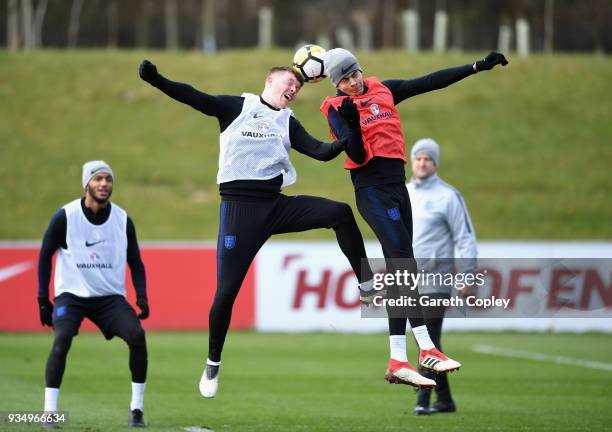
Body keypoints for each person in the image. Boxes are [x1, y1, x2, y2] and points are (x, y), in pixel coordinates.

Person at [139, 60, 375, 398]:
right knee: (226, 292)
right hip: (239, 211)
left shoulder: (287, 121)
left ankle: (366, 284)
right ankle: (213, 362)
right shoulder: (238, 106)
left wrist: (345, 138)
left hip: (276, 206)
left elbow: (320, 152)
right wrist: (157, 79)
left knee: (339, 212)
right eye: (289, 84)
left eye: (298, 88)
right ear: (269, 81)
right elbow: (193, 97)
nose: (293, 90)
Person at [319, 48, 507, 387]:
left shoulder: (384, 90)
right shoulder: (336, 110)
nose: (353, 82)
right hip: (371, 190)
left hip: (397, 188)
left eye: (355, 73)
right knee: (405, 261)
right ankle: (426, 348)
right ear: (337, 83)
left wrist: (476, 66)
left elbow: (430, 81)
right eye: (344, 79)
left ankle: (396, 360)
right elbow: (358, 154)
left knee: (400, 267)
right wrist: (350, 123)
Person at [38, 161, 149, 428]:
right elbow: (44, 256)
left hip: (109, 298)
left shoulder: (123, 220)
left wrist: (142, 295)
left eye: (108, 179)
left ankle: (136, 409)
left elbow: (136, 261)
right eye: (98, 179)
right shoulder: (66, 216)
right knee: (62, 338)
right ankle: (49, 412)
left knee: (137, 336)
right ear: (86, 184)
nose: (104, 184)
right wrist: (43, 299)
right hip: (71, 296)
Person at [407, 138, 478, 415]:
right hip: (409, 279)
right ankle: (445, 400)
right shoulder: (403, 193)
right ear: (412, 162)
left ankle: (423, 401)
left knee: (428, 338)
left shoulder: (448, 196)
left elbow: (465, 238)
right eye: (418, 158)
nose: (422, 163)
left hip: (438, 279)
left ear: (435, 163)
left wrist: (467, 276)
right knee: (424, 339)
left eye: (428, 159)